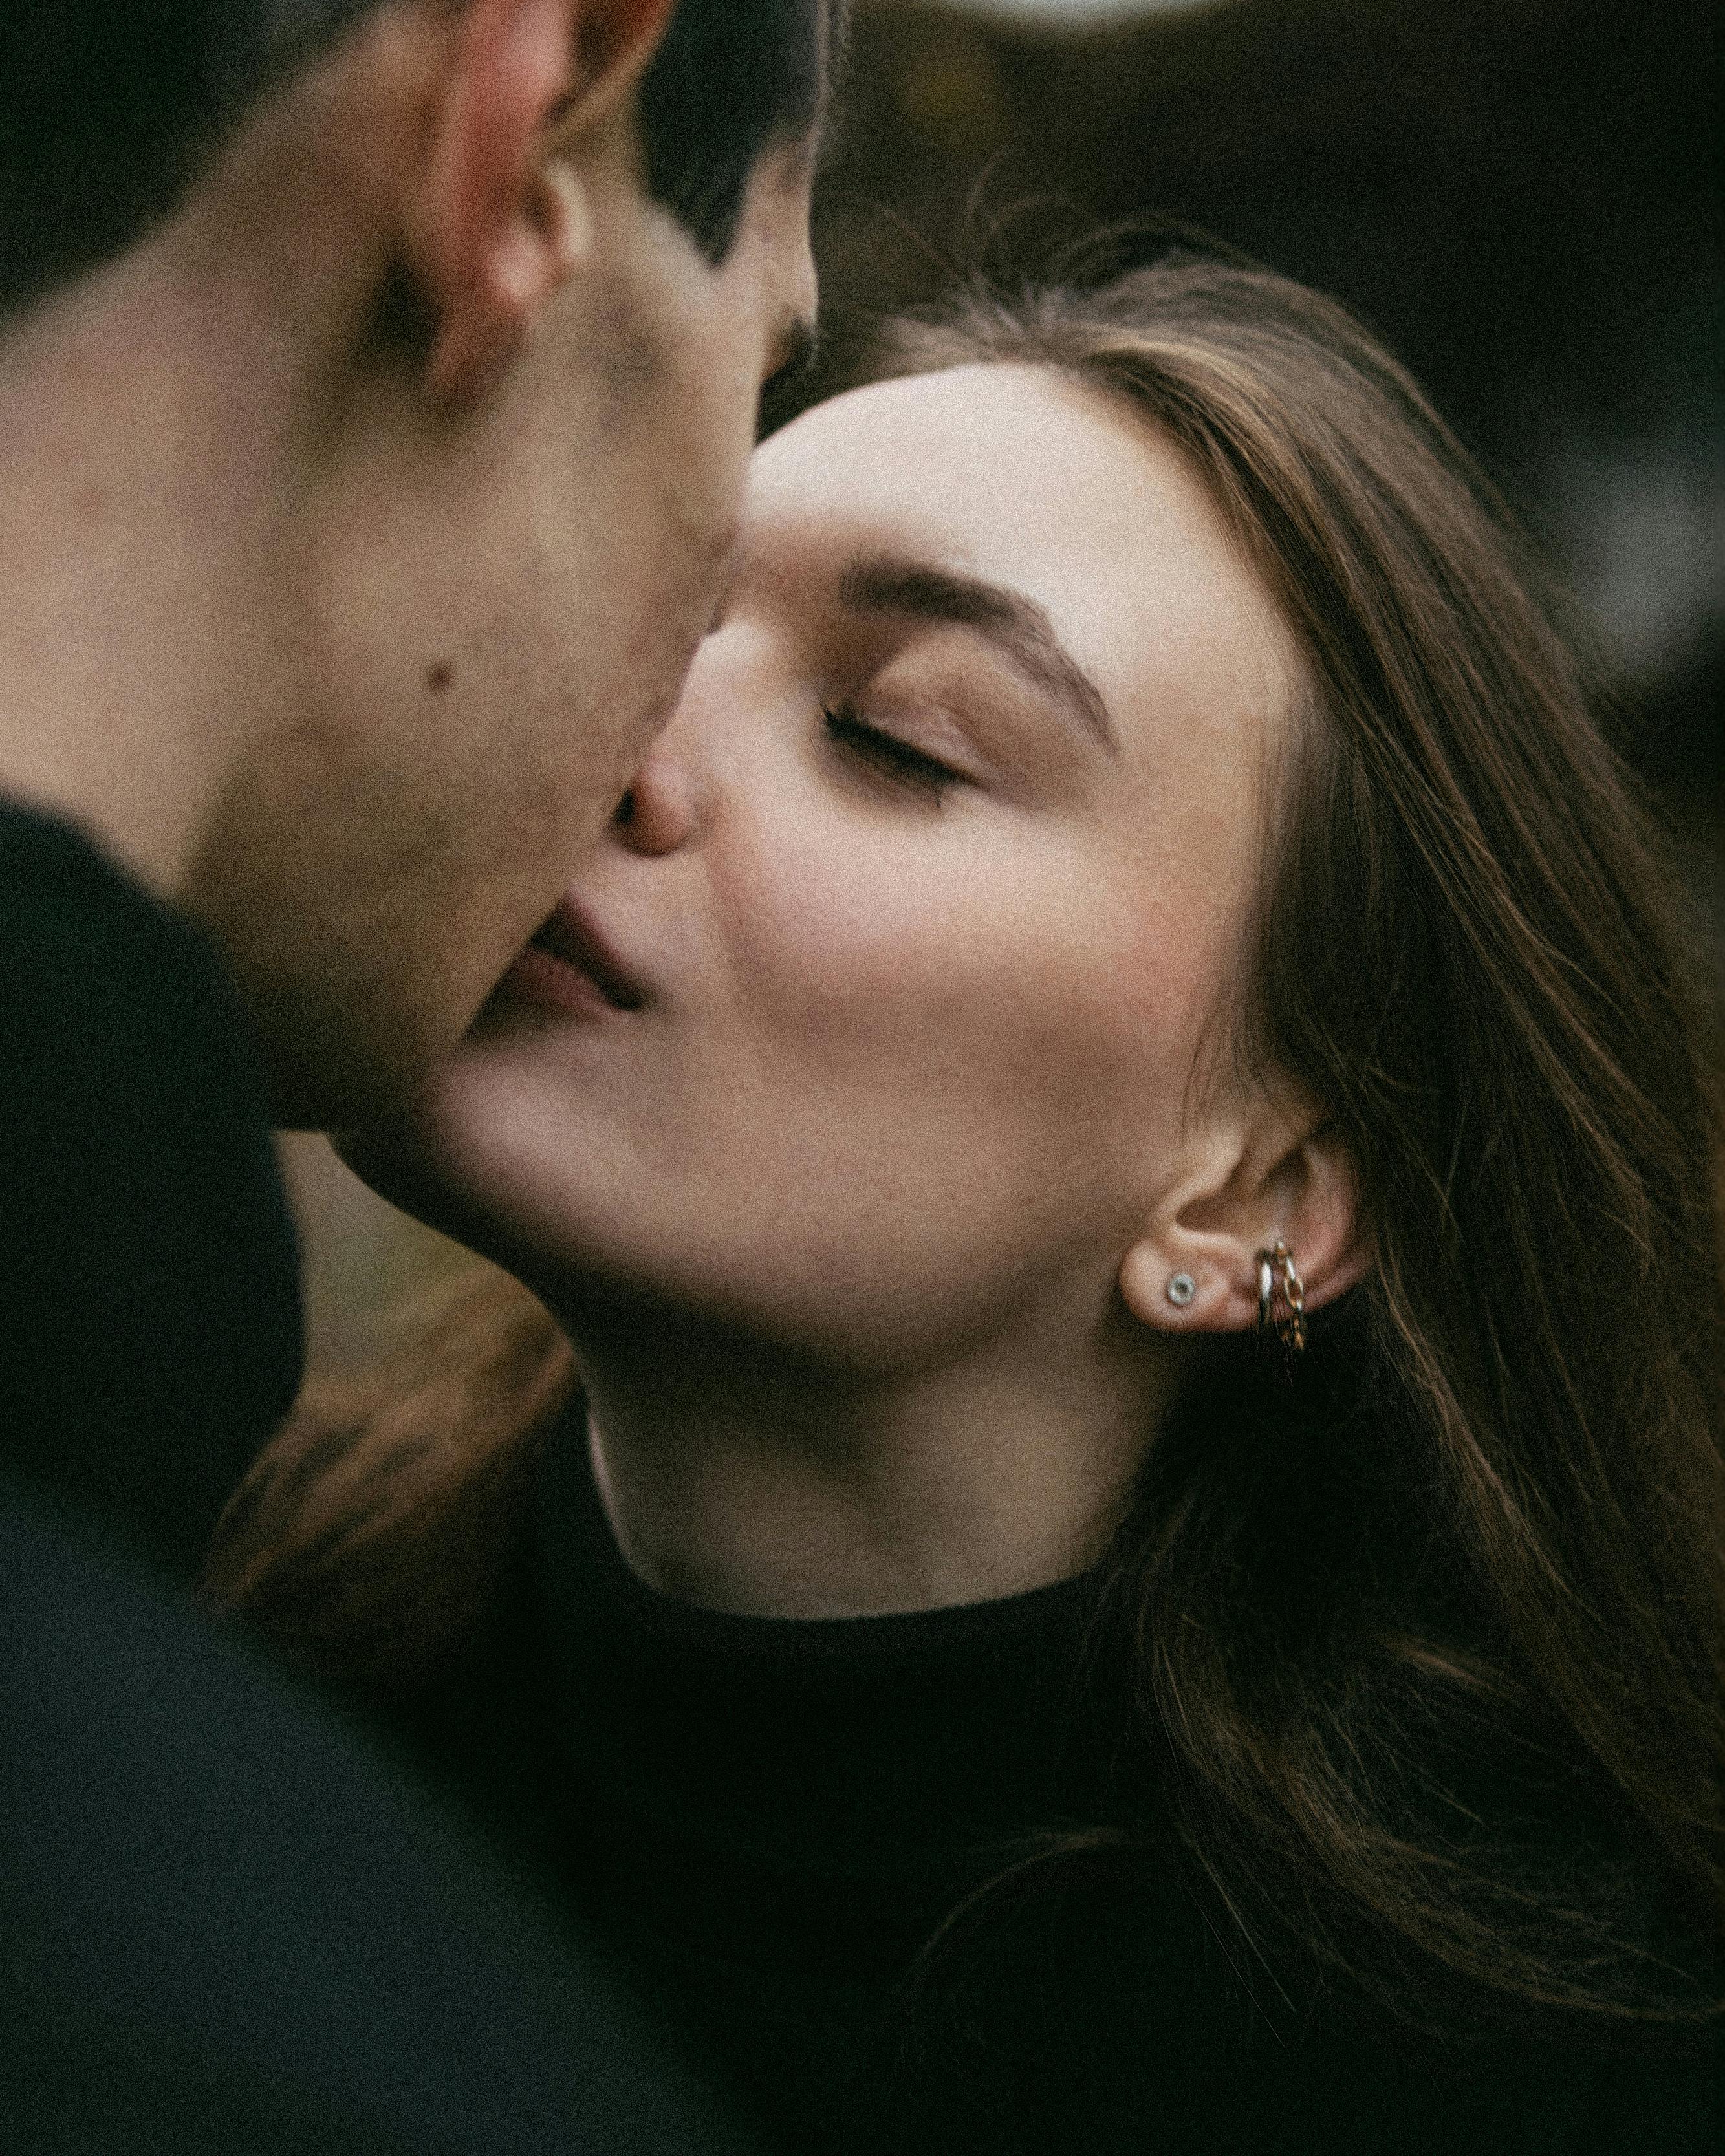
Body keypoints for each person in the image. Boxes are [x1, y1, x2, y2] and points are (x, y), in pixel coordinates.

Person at [210, 255, 1725, 2155]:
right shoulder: (169, 1676)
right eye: (651, 614)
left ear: (1249, 1192)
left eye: (893, 736)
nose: (608, 736)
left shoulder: (1587, 2057)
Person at [1, 1, 842, 2146]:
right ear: (517, 142)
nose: (663, 743)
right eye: (758, 381)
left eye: (899, 740)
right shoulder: (259, 2030)